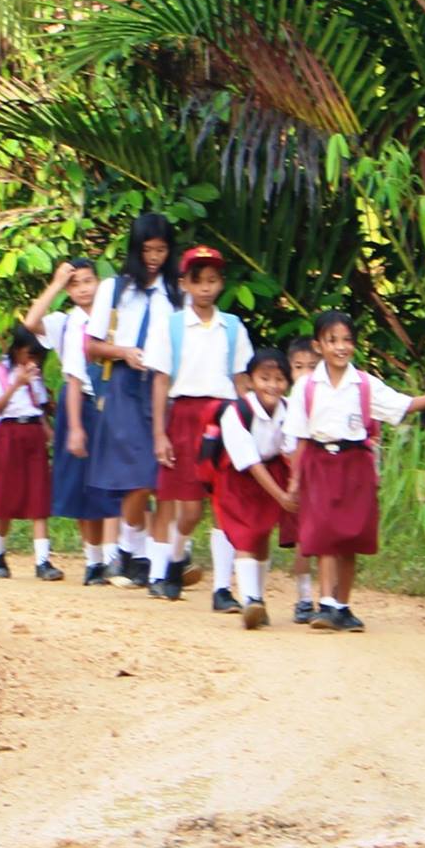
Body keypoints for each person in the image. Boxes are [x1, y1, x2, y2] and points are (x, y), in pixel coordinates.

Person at [284, 312, 425, 631]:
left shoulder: (364, 384)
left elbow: (401, 405)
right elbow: (299, 437)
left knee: (351, 535)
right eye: (332, 340)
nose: (341, 347)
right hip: (320, 462)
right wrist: (295, 479)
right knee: (326, 535)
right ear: (318, 346)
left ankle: (343, 605)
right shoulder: (306, 387)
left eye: (347, 340)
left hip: (356, 465)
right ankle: (326, 604)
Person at [144, 246, 252, 600]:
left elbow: (241, 381)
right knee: (185, 505)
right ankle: (171, 562)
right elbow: (161, 380)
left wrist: (248, 426)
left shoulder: (232, 328)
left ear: (221, 284)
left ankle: (222, 589)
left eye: (213, 280)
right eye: (197, 280)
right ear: (184, 284)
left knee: (223, 502)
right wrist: (160, 432)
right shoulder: (171, 327)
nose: (206, 287)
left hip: (224, 417)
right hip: (185, 416)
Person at [84, 213, 179, 586]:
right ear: (136, 251)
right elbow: (91, 347)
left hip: (163, 386)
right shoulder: (114, 289)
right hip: (125, 383)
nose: (154, 257)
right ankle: (133, 549)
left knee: (157, 475)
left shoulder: (176, 293)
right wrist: (124, 351)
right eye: (148, 250)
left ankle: (135, 551)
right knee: (137, 475)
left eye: (161, 250)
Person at [22, 258, 121, 583]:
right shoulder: (64, 322)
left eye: (87, 281)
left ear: (99, 282)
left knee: (114, 482)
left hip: (113, 402)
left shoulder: (115, 318)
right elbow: (30, 322)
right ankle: (93, 561)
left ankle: (113, 557)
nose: (82, 289)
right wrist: (54, 283)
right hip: (78, 402)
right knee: (82, 483)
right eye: (74, 284)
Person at [205, 348, 298, 628]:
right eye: (264, 378)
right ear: (250, 381)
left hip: (272, 471)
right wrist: (281, 495)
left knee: (262, 534)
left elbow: (292, 449)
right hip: (238, 478)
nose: (272, 385)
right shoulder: (237, 412)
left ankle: (258, 599)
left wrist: (293, 486)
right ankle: (250, 600)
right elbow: (248, 461)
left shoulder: (289, 410)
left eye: (279, 379)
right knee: (246, 535)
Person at [0, 325, 63, 580]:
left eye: (36, 357)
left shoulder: (35, 376)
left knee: (39, 497)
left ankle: (42, 560)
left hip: (33, 435)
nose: (32, 361)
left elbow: (38, 410)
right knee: (6, 498)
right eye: (29, 354)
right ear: (16, 352)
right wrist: (16, 385)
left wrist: (52, 437)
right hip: (8, 434)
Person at [283, 337, 321, 622]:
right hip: (294, 472)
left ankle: (329, 598)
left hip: (323, 471)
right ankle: (304, 597)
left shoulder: (326, 395)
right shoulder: (288, 400)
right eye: (298, 367)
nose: (305, 372)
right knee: (303, 540)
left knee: (327, 538)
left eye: (312, 366)